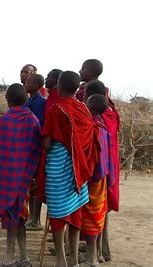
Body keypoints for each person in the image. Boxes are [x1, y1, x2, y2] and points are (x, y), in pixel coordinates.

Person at [38, 71, 100, 267]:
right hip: (79, 170)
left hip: (59, 167)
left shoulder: (56, 109)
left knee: (57, 214)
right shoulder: (84, 109)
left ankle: (61, 260)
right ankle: (73, 259)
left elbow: (47, 143)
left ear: (60, 87)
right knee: (74, 212)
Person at [0, 83, 41, 267]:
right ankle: (23, 257)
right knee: (21, 215)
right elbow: (36, 151)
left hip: (8, 178)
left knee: (13, 217)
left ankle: (10, 257)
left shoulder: (5, 120)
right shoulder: (33, 120)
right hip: (25, 179)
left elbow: (2, 152)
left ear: (7, 100)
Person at [83, 80, 120, 263]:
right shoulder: (108, 120)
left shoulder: (94, 127)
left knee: (91, 214)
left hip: (93, 177)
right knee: (99, 213)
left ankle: (94, 255)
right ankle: (99, 252)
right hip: (105, 173)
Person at [81, 93, 110, 267]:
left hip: (92, 179)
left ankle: (91, 258)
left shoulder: (91, 129)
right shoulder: (104, 128)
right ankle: (91, 256)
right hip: (102, 178)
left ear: (90, 107)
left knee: (90, 218)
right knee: (97, 216)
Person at [23, 74, 46, 231]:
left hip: (35, 148)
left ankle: (36, 219)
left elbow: (36, 126)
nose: (26, 82)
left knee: (36, 183)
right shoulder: (29, 101)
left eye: (30, 81)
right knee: (31, 183)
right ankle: (31, 217)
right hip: (28, 148)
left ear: (38, 85)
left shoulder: (39, 103)